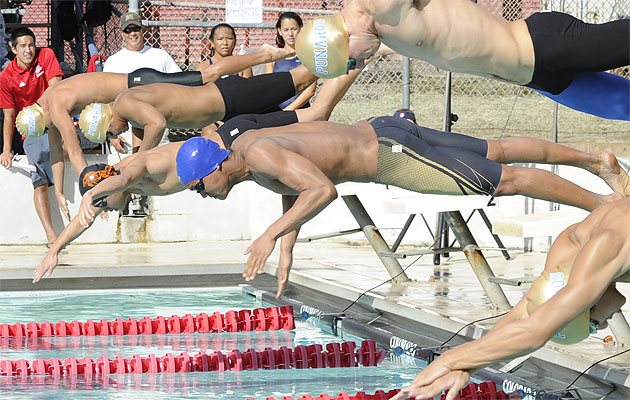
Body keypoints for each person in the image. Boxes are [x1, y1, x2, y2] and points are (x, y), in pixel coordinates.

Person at [174, 113, 629, 285]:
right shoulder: (250, 148)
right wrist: (287, 251)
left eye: (198, 187)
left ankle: (605, 208)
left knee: (504, 180)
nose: (202, 195)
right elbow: (294, 185)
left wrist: (268, 237)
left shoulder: (259, 153)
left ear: (213, 169)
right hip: (385, 128)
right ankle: (593, 159)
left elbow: (321, 189)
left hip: (391, 158)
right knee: (498, 149)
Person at [32, 68, 367, 294]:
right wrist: (58, 248)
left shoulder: (133, 170)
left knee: (311, 101)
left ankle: (353, 54)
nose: (109, 210)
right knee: (316, 114)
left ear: (109, 182)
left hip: (237, 137)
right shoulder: (127, 180)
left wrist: (92, 198)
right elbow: (85, 216)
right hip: (234, 145)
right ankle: (353, 60)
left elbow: (116, 182)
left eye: (105, 203)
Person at [391, 197, 629, 400]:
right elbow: (523, 314)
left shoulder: (607, 242)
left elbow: (533, 333)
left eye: (593, 324)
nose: (604, 325)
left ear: (585, 304)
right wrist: (468, 368)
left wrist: (449, 360)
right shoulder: (569, 247)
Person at [13, 45, 292, 217]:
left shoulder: (57, 103)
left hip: (141, 84)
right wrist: (59, 192)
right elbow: (57, 156)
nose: (54, 129)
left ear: (42, 117)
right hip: (134, 103)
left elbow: (72, 149)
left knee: (207, 77)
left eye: (50, 127)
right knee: (142, 144)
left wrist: (90, 187)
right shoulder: (47, 105)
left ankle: (265, 53)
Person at [295, 1, 630, 120]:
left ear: (342, 40)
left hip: (544, 45)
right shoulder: (379, 37)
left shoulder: (382, 5)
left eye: (351, 63)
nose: (359, 65)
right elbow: (328, 99)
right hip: (536, 79)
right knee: (624, 107)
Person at [88, 64, 318, 152]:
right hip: (228, 109)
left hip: (230, 97)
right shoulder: (130, 110)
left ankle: (348, 47)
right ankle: (349, 64)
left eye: (110, 133)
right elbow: (145, 135)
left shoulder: (125, 103)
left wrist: (139, 159)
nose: (116, 134)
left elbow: (157, 125)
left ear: (106, 120)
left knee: (299, 80)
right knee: (309, 117)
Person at [0, 27, 64, 245]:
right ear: (13, 48)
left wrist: (40, 110)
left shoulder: (46, 55)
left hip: (56, 119)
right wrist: (7, 149)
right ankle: (51, 235)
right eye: (23, 46)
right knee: (40, 183)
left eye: (31, 45)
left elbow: (55, 89)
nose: (28, 50)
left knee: (77, 147)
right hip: (32, 132)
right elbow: (9, 117)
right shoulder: (6, 77)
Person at [103, 11, 183, 154]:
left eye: (136, 29)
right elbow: (104, 99)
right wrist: (111, 135)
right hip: (124, 130)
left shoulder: (160, 56)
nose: (132, 33)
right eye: (128, 30)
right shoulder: (113, 61)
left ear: (142, 30)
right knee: (125, 173)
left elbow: (179, 84)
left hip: (157, 125)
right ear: (121, 33)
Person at [265, 12, 317, 111]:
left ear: (301, 29)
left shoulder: (309, 55)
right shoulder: (273, 58)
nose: (290, 34)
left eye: (294, 29)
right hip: (276, 112)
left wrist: (288, 111)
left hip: (301, 112)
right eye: (286, 30)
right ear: (279, 31)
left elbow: (310, 91)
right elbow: (268, 89)